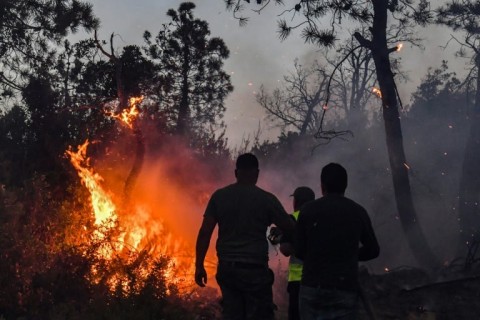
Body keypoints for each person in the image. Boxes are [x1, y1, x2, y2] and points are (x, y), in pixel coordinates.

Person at [195, 153, 295, 320]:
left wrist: (199, 265)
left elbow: (205, 232)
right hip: (255, 270)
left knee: (232, 314)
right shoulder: (266, 199)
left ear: (236, 173)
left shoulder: (219, 196)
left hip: (228, 270)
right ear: (257, 173)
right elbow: (289, 227)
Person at [295, 163, 380, 320]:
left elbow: (299, 250)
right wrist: (349, 254)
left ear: (322, 186)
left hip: (313, 286)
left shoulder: (308, 210)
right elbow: (373, 249)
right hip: (344, 287)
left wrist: (318, 254)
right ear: (345, 185)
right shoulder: (357, 211)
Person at [279, 187, 315, 320]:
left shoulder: (292, 219)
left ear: (296, 201)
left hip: (298, 281)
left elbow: (285, 249)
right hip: (318, 279)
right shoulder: (321, 218)